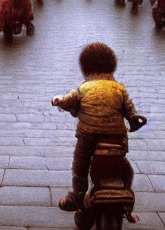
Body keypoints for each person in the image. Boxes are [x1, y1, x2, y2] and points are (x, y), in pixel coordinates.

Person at [52, 42, 144, 211]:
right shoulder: (119, 89)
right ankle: (127, 191)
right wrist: (134, 121)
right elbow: (131, 111)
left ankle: (76, 198)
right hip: (115, 137)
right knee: (125, 166)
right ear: (112, 65)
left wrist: (58, 101)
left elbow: (67, 101)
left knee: (80, 166)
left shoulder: (83, 88)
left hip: (88, 136)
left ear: (85, 67)